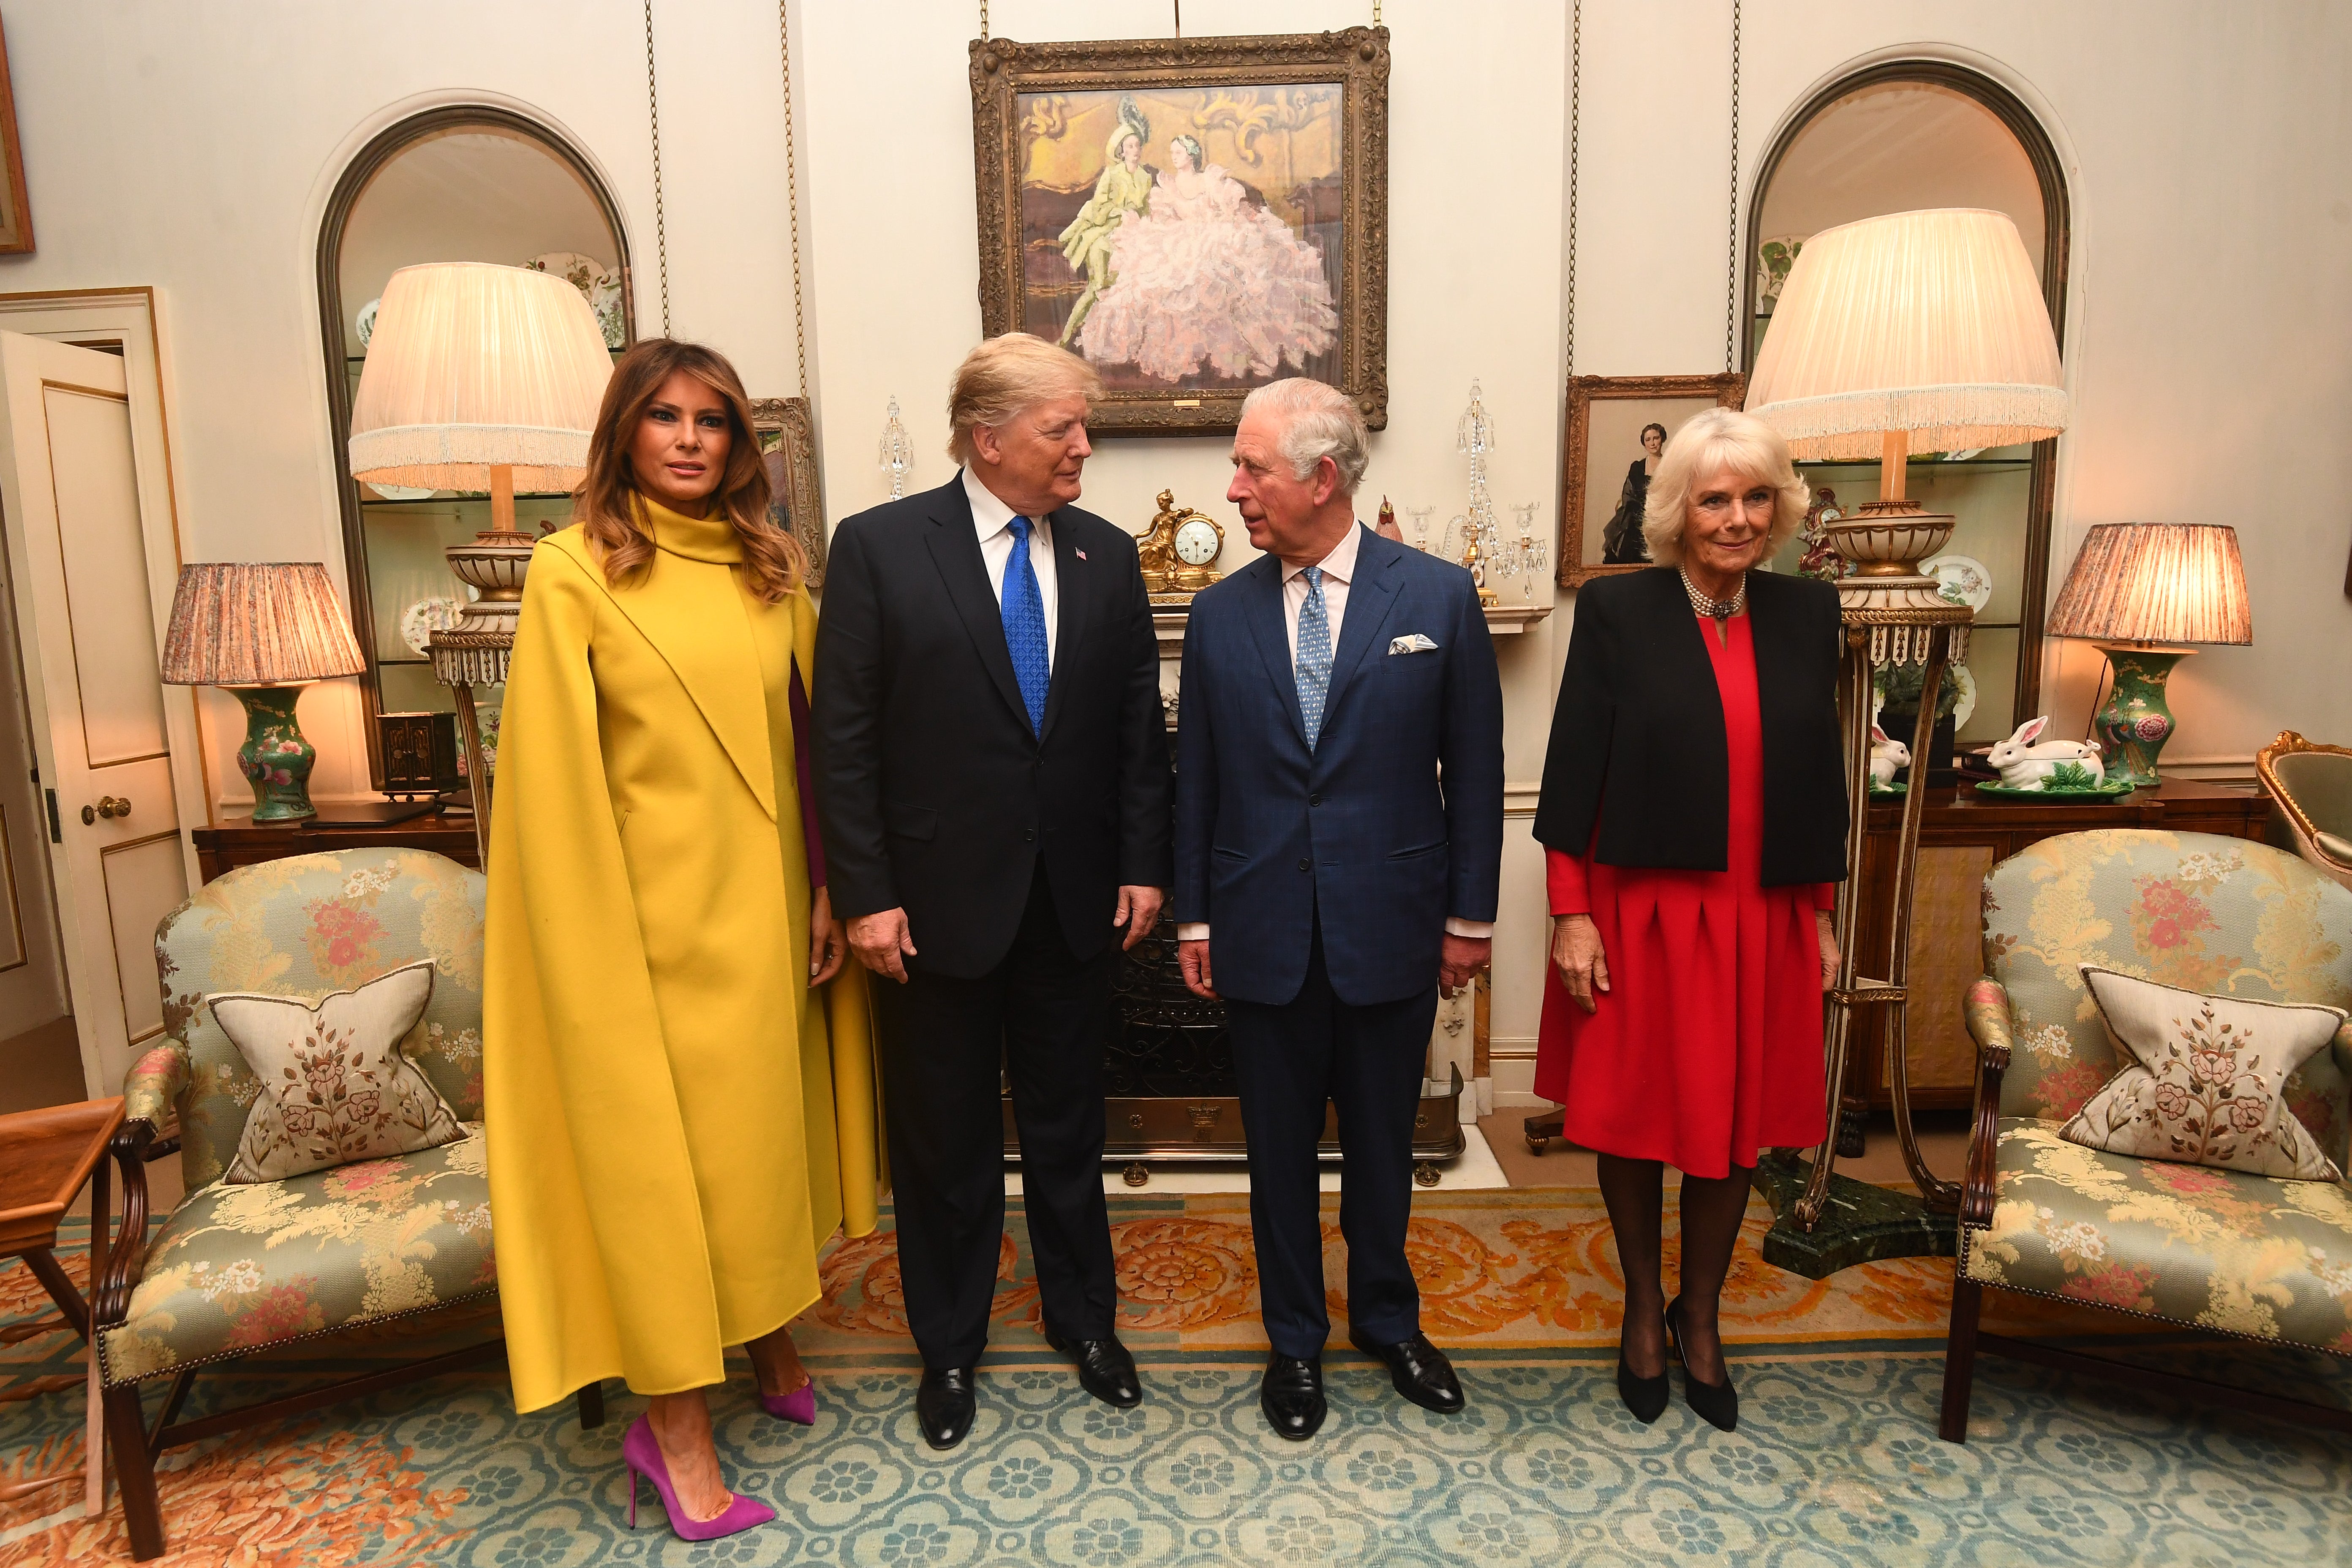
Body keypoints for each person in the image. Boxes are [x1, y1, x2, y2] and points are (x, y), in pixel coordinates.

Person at [485, 339, 881, 1541]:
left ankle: (768, 1339)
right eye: (664, 417)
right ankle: (677, 1434)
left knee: (757, 1146)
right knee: (666, 1174)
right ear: (623, 434)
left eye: (713, 420)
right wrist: (588, 952)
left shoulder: (771, 569)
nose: (691, 439)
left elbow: (818, 748)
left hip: (761, 917)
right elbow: (548, 789)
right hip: (640, 930)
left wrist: (825, 886)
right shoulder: (573, 573)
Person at [812, 332, 1171, 1451]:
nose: (1084, 447)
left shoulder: (1107, 558)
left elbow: (1134, 739)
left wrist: (1144, 863)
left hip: (1072, 906)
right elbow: (846, 741)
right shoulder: (878, 549)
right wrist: (865, 894)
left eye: (1082, 425)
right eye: (1064, 427)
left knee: (1070, 1135)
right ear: (989, 436)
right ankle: (951, 1347)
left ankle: (1086, 1324)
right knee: (945, 1146)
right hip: (929, 911)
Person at [1174, 377, 1504, 1441]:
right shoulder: (1220, 612)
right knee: (1275, 1157)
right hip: (1260, 928)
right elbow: (1200, 783)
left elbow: (1477, 771)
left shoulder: (1438, 598)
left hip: (1392, 925)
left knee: (1380, 1146)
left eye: (1251, 469)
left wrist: (1470, 919)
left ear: (1322, 476)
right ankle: (1294, 1343)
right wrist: (1194, 919)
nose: (1233, 490)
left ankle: (1387, 1320)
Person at [1531, 406, 1846, 1434]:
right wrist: (1571, 916)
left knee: (1737, 1119)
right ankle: (1638, 1302)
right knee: (1634, 1111)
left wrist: (1821, 917)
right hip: (1645, 910)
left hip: (1763, 911)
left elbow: (1817, 780)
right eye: (1715, 498)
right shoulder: (1621, 615)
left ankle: (1698, 1314)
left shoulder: (1809, 613)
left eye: (1757, 497)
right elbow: (1574, 776)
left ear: (1780, 507)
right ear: (1677, 511)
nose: (1738, 517)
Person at [1077, 135, 1337, 383]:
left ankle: (1247, 346)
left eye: (1178, 153)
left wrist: (1231, 218)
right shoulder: (1167, 185)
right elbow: (1164, 218)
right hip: (1180, 238)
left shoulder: (1210, 180)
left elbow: (1229, 207)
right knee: (1159, 278)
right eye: (1172, 153)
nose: (1174, 158)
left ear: (1191, 155)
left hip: (1213, 232)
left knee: (1225, 269)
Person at [1057, 101, 1156, 349]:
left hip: (1134, 236)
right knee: (1098, 287)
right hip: (1105, 233)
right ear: (1121, 152)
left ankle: (1115, 344)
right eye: (1130, 147)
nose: (1136, 150)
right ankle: (1066, 338)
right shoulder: (1111, 175)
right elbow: (1099, 206)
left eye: (1138, 146)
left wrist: (1146, 225)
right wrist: (1121, 214)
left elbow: (1147, 210)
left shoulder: (1146, 178)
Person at [1600, 421, 1668, 564]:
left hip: (1663, 514)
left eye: (1656, 438)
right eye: (1648, 440)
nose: (1653, 443)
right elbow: (1628, 494)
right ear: (1644, 444)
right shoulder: (1637, 467)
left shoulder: (1670, 465)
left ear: (1662, 439)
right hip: (1638, 516)